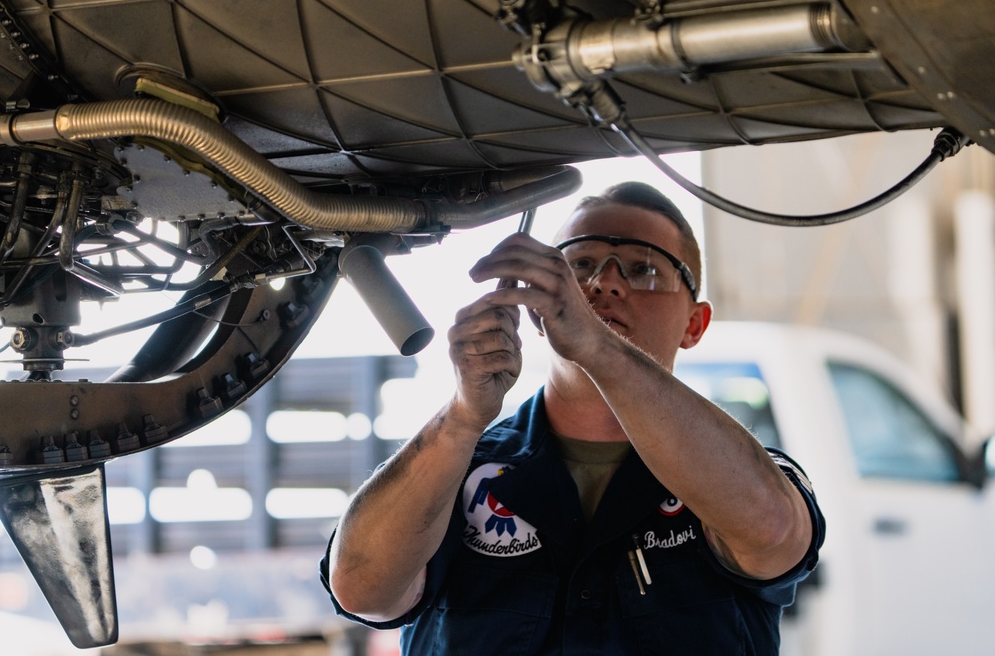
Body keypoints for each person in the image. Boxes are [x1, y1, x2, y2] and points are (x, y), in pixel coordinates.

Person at [321, 181, 825, 655]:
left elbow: (773, 531)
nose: (605, 282)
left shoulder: (734, 477)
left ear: (695, 323)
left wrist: (597, 345)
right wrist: (462, 416)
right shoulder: (458, 467)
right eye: (579, 265)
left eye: (643, 268)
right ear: (537, 309)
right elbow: (361, 589)